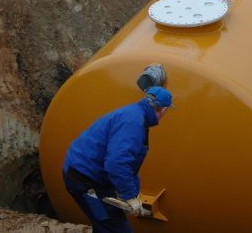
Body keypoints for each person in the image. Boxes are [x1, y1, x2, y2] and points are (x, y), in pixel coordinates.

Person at [62, 84, 173, 232]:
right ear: (164, 109)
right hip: (84, 179)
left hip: (88, 174)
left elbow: (130, 165)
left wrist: (134, 194)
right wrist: (128, 196)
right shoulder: (133, 122)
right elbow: (117, 163)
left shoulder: (135, 114)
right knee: (116, 228)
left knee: (106, 224)